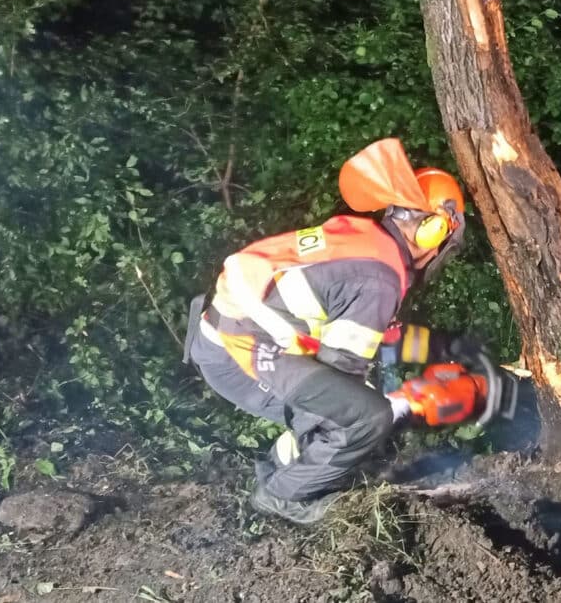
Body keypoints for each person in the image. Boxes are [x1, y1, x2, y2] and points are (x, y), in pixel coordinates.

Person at [186, 138, 478, 524]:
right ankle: (279, 495)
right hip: (236, 354)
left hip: (230, 337)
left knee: (345, 407)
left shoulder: (366, 242)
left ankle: (281, 473)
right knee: (364, 417)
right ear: (432, 229)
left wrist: (442, 346)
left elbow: (374, 336)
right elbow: (342, 368)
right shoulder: (381, 277)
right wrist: (400, 406)